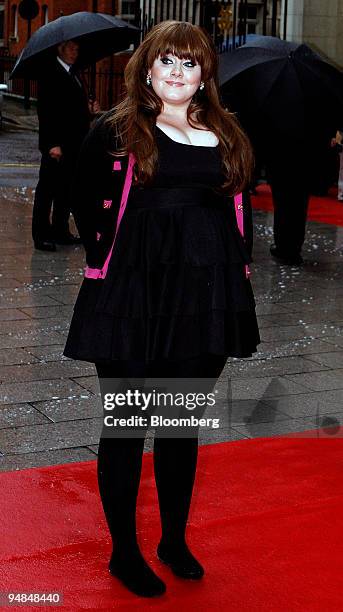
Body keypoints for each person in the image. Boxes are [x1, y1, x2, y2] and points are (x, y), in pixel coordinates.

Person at [63, 20, 260, 598]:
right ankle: (124, 552)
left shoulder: (226, 132)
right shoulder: (118, 130)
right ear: (147, 68)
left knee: (177, 425)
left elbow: (237, 205)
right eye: (167, 61)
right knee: (127, 424)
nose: (178, 72)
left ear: (205, 75)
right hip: (132, 295)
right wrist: (113, 262)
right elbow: (83, 197)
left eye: (190, 63)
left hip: (201, 299)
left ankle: (172, 539)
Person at [32, 39, 99, 251]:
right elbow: (47, 112)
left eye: (77, 49)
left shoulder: (75, 73)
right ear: (60, 49)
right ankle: (41, 234)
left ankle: (60, 231)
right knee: (47, 190)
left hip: (75, 144)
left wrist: (90, 109)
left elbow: (74, 109)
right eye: (71, 48)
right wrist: (52, 144)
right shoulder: (50, 74)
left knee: (66, 190)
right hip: (58, 145)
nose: (75, 52)